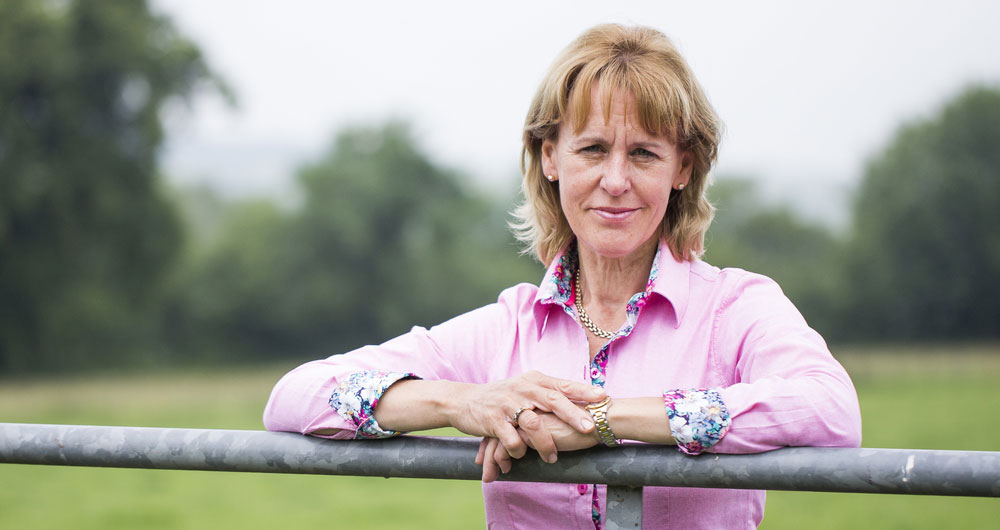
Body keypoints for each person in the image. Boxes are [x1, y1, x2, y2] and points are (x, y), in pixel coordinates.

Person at [263, 23, 862, 529]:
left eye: (645, 154)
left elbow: (831, 410)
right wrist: (464, 402)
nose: (617, 180)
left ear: (683, 167)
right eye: (594, 149)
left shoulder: (737, 308)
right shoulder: (508, 328)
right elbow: (294, 398)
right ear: (550, 156)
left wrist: (601, 422)